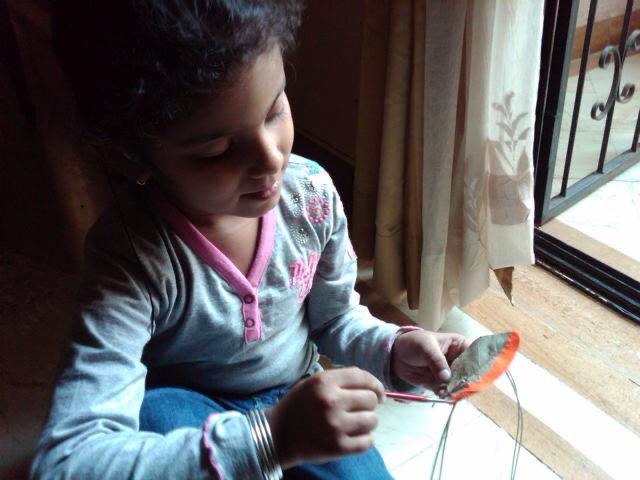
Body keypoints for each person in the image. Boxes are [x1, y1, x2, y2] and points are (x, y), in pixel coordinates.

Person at [30, 1, 471, 479]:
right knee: (155, 416)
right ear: (134, 155)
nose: (270, 160)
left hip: (296, 395)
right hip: (189, 415)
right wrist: (268, 439)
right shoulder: (132, 258)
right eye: (217, 151)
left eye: (275, 109)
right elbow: (64, 462)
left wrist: (394, 350)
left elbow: (336, 317)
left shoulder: (312, 199)